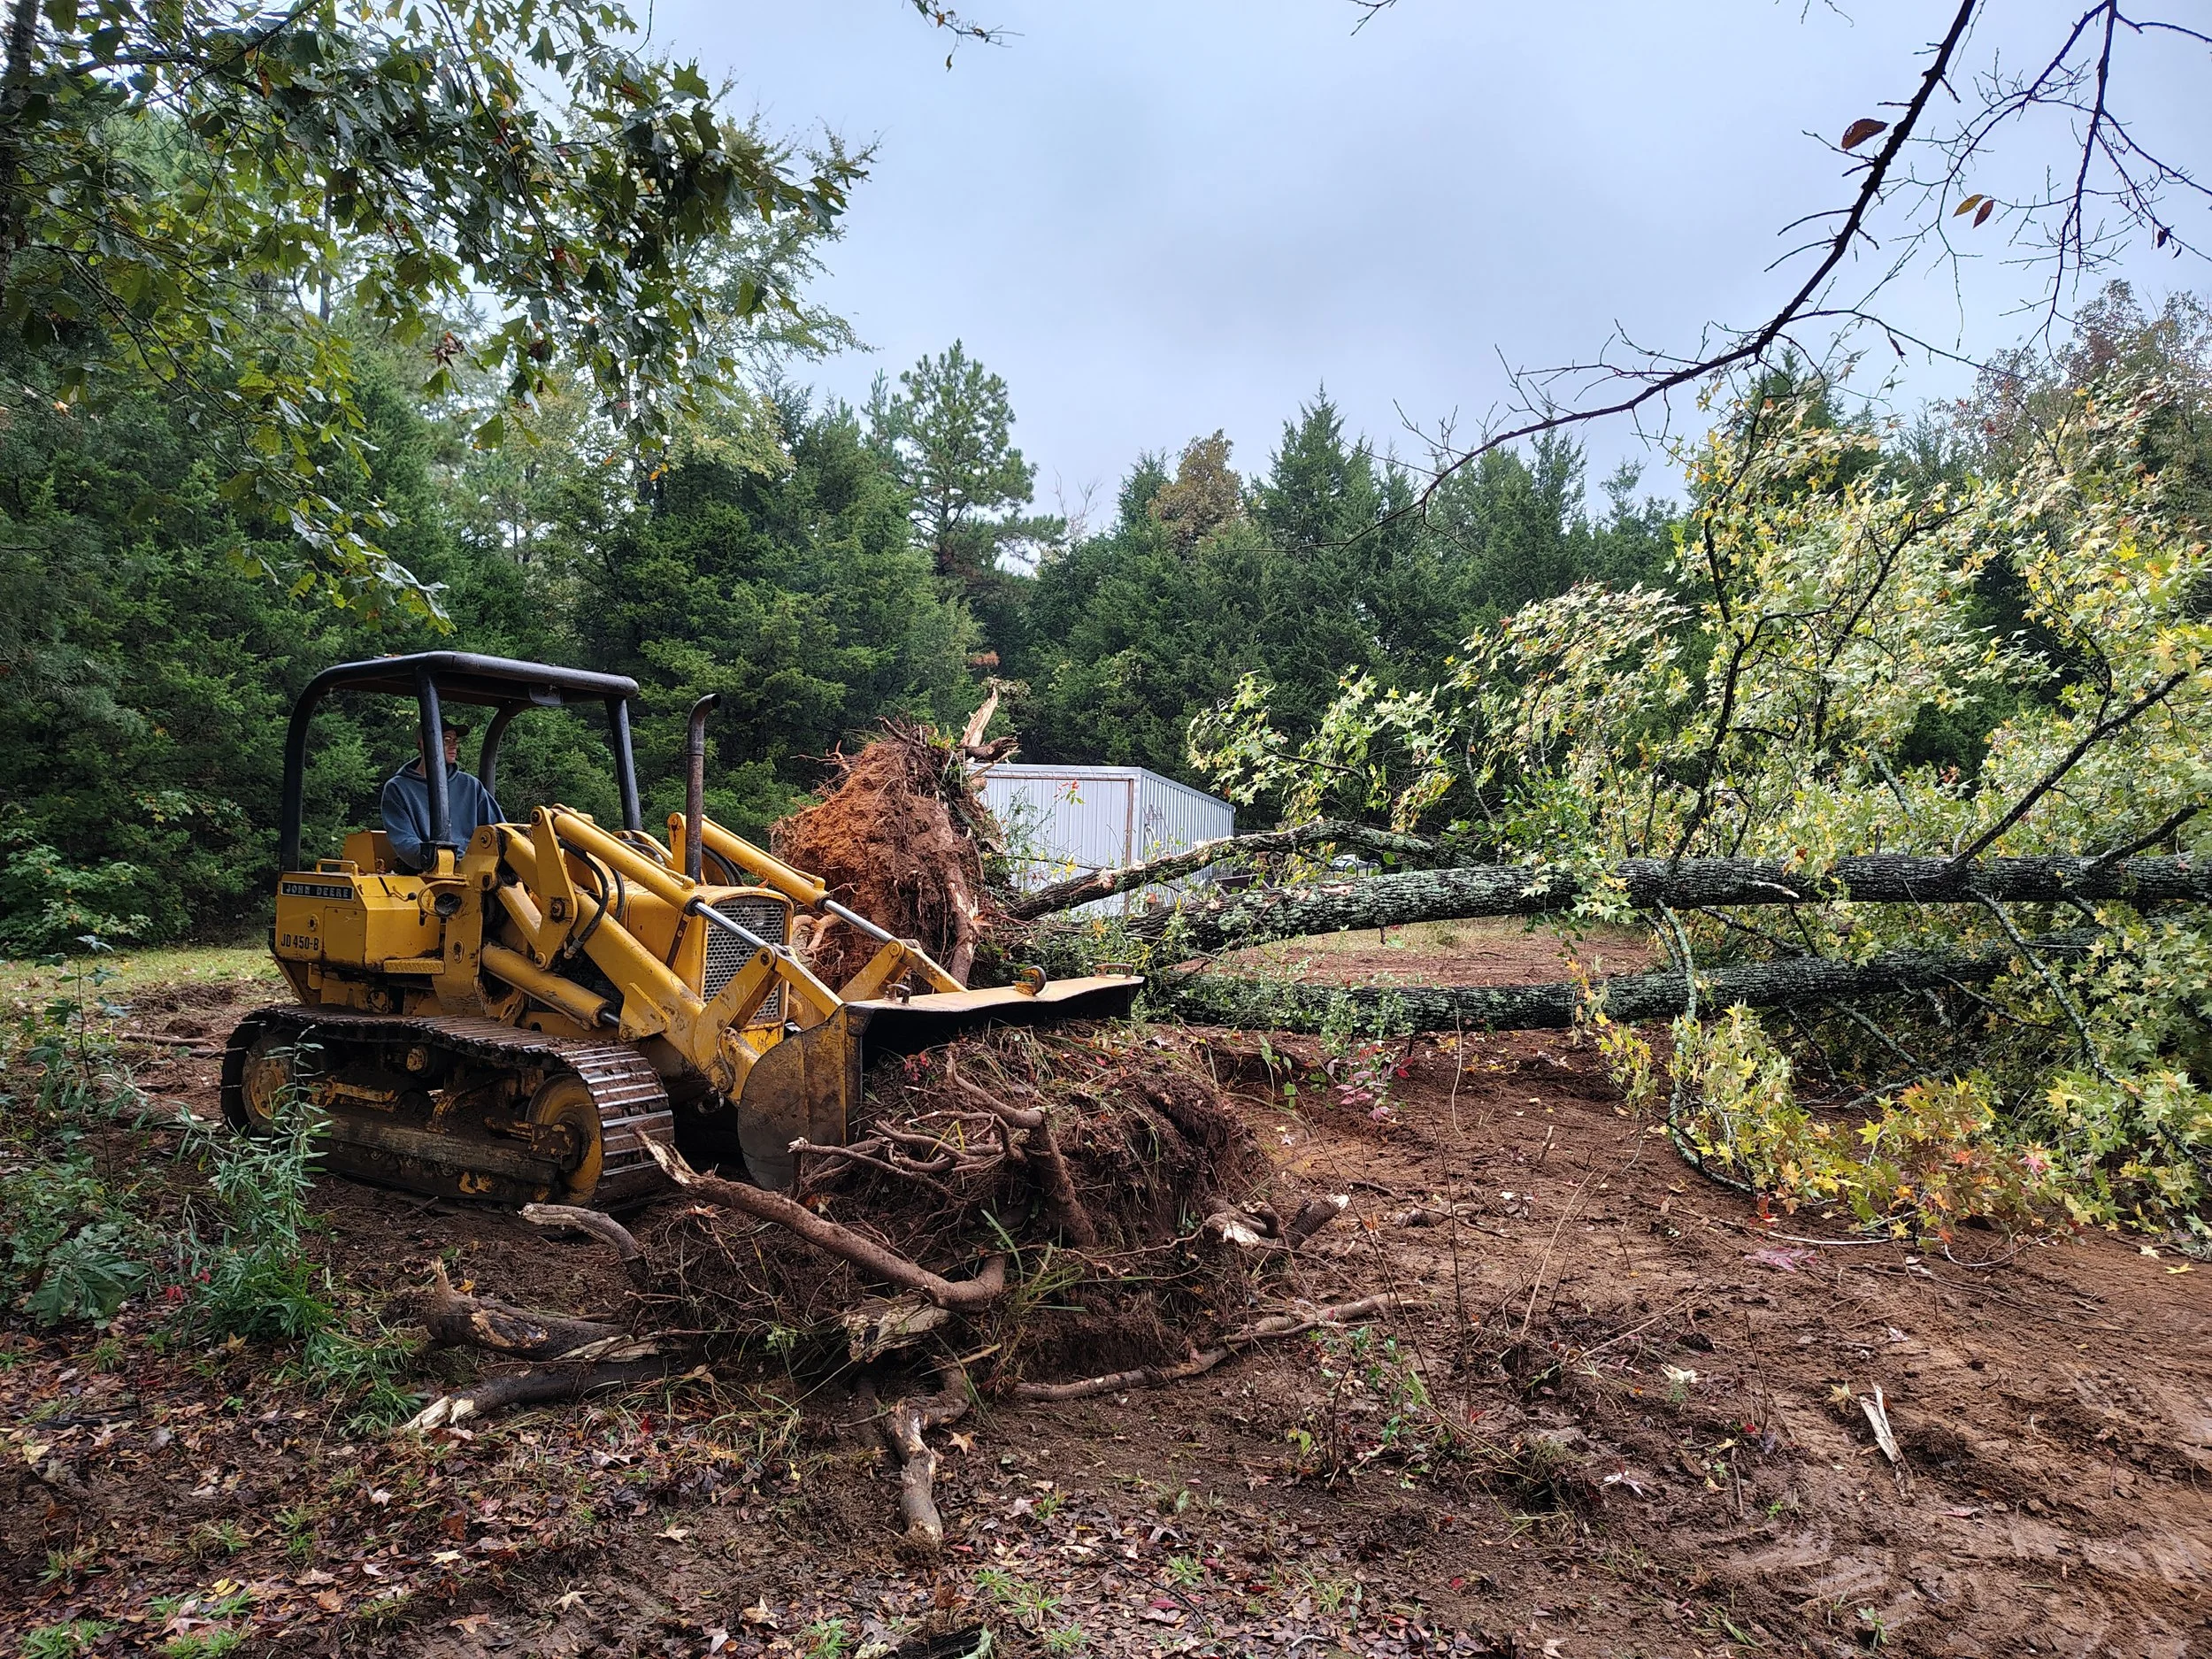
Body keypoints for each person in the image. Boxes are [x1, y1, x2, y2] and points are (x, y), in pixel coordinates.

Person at [380, 718, 505, 873]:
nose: (454, 746)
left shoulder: (470, 785)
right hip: (428, 873)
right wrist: (434, 858)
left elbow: (500, 829)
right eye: (446, 740)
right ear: (423, 743)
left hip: (476, 869)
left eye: (455, 741)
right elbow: (404, 840)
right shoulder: (398, 788)